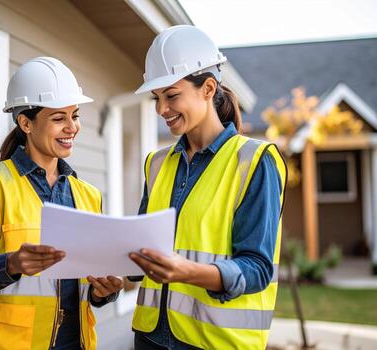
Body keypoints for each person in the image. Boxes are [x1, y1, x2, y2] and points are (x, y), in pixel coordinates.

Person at [128, 26, 287, 350]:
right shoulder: (157, 164)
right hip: (149, 339)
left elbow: (256, 268)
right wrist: (114, 276)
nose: (161, 110)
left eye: (171, 96)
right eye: (156, 98)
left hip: (216, 342)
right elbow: (141, 252)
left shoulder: (254, 161)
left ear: (208, 88)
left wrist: (187, 272)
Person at [0, 57, 123, 350]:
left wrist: (103, 292)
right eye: (58, 118)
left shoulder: (88, 195)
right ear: (26, 123)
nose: (72, 128)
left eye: (75, 115)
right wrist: (12, 263)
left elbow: (84, 289)